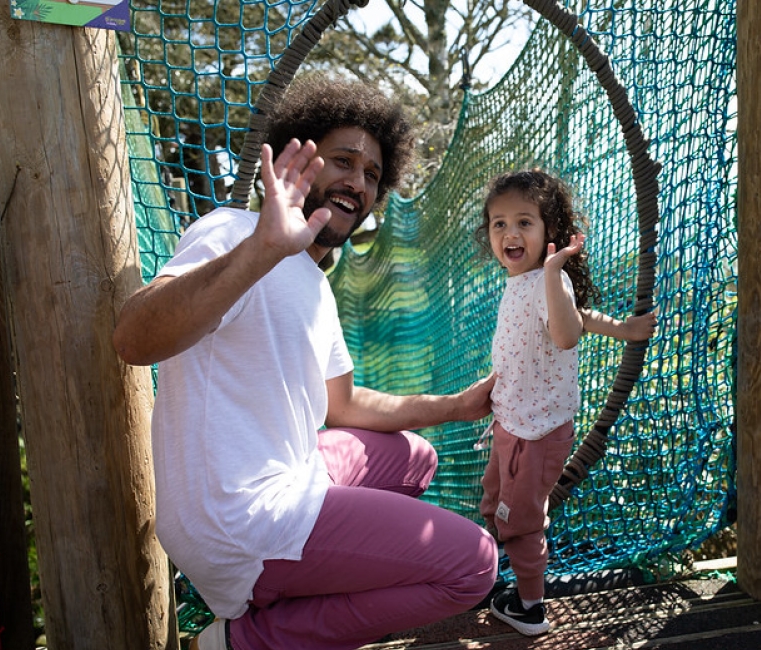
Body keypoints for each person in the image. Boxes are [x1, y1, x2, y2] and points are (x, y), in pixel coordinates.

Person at [112, 75, 499, 650]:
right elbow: (134, 340)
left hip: (291, 475)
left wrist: (454, 406)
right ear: (303, 158)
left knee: (415, 459)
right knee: (475, 566)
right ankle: (243, 640)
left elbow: (341, 405)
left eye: (372, 174)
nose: (358, 182)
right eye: (343, 161)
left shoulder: (317, 286)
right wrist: (261, 250)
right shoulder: (235, 231)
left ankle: (312, 581)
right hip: (239, 517)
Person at [472, 169, 656, 637]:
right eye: (499, 224)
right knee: (495, 504)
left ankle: (531, 606)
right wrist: (623, 328)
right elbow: (580, 320)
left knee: (523, 520)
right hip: (510, 423)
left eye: (524, 223)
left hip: (535, 433)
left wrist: (555, 272)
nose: (510, 233)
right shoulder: (521, 282)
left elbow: (567, 331)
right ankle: (494, 577)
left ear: (549, 231)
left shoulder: (548, 280)